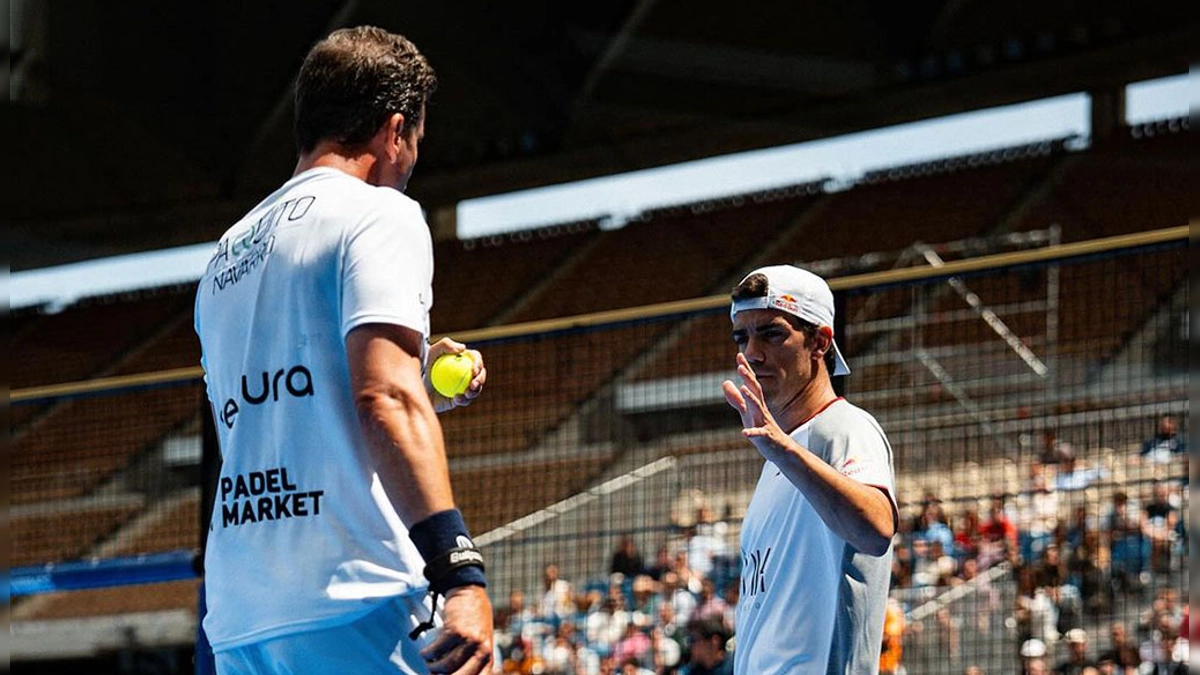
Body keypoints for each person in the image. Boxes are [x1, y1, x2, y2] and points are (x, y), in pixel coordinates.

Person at [194, 26, 493, 674]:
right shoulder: (378, 213)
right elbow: (382, 397)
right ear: (393, 131)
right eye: (414, 140)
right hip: (359, 591)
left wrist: (423, 387)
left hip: (243, 612)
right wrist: (459, 569)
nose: (411, 159)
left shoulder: (225, 257)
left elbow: (280, 411)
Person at [721, 265, 897, 674]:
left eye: (772, 333)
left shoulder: (845, 427)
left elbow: (876, 529)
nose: (752, 352)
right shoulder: (777, 451)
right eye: (741, 337)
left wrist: (780, 449)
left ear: (819, 342)